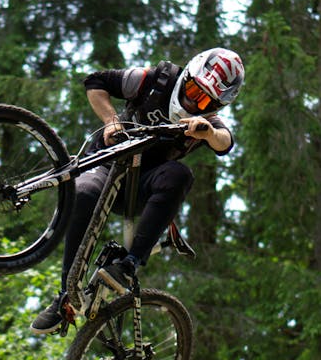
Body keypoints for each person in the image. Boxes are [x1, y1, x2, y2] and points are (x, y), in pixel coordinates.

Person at [30, 47, 244, 335]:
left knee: (180, 174)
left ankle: (129, 264)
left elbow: (225, 142)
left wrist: (207, 132)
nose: (194, 101)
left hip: (141, 187)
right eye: (194, 90)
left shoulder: (207, 122)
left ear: (215, 106)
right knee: (83, 194)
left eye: (204, 99)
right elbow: (95, 82)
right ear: (187, 75)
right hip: (106, 166)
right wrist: (111, 121)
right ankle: (65, 297)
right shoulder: (155, 80)